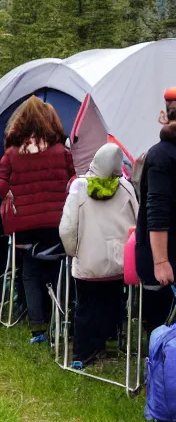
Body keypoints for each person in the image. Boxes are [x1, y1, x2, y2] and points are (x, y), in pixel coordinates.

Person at [0, 96, 75, 344]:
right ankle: (58, 322)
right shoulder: (62, 152)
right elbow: (73, 183)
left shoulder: (12, 153)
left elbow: (0, 186)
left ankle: (37, 328)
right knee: (55, 271)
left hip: (25, 227)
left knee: (30, 274)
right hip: (55, 223)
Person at [60, 144, 138, 368]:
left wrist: (73, 252)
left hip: (88, 262)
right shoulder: (126, 187)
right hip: (119, 263)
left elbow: (67, 228)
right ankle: (106, 345)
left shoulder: (79, 187)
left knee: (86, 307)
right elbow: (138, 219)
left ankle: (82, 354)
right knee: (112, 304)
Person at [136, 88, 176, 335]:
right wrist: (161, 261)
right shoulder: (161, 156)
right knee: (163, 330)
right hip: (165, 257)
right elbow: (157, 210)